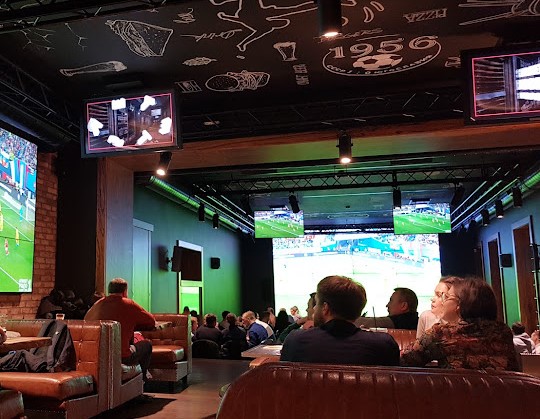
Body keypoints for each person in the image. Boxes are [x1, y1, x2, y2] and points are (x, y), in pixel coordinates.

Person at [401, 277, 519, 371]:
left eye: (446, 297)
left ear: (459, 305)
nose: (443, 301)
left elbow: (403, 361)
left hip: (457, 394)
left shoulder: (442, 333)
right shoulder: (504, 332)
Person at [280, 275, 400, 365]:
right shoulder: (383, 345)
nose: (315, 308)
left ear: (325, 308)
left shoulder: (296, 340)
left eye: (317, 303)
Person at [85, 278, 156, 383]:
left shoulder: (98, 304)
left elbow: (86, 321)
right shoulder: (129, 304)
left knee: (131, 339)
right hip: (122, 356)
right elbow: (151, 321)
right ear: (124, 292)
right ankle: (143, 381)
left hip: (97, 355)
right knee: (147, 345)